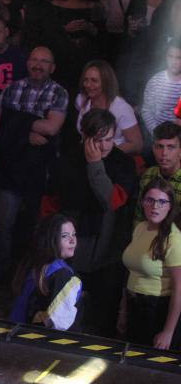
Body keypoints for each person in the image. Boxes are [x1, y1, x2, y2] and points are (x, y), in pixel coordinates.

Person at [47, 108, 136, 337]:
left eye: (109, 139)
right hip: (73, 247)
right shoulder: (68, 159)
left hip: (108, 250)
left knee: (104, 309)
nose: (105, 146)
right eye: (98, 140)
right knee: (68, 306)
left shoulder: (123, 163)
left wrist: (95, 165)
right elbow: (52, 201)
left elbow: (112, 201)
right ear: (85, 136)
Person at [0, 47, 68, 278]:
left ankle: (35, 276)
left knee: (38, 226)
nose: (38, 64)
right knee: (2, 224)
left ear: (52, 67)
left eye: (44, 61)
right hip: (10, 167)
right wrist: (27, 132)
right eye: (34, 59)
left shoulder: (59, 93)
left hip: (40, 170)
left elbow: (52, 128)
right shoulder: (12, 88)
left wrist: (14, 123)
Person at [120, 178, 181, 350]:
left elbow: (179, 290)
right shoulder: (140, 227)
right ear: (142, 202)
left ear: (170, 206)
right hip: (134, 306)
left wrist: (168, 332)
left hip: (156, 311)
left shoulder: (173, 239)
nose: (155, 207)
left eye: (162, 202)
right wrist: (123, 311)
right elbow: (131, 273)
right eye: (150, 200)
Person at [10, 214, 82, 331]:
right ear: (51, 239)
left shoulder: (35, 263)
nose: (72, 240)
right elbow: (58, 323)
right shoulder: (63, 275)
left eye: (74, 234)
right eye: (65, 236)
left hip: (16, 330)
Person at [75, 60, 142, 155]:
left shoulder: (122, 108)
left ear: (106, 83)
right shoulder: (81, 100)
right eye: (86, 80)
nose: (88, 85)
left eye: (94, 80)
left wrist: (107, 153)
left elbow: (137, 145)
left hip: (112, 160)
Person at [134, 122, 181, 225]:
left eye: (171, 147)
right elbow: (139, 215)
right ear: (153, 148)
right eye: (159, 146)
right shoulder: (149, 174)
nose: (164, 153)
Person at [141, 39, 181, 137]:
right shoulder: (156, 80)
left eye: (178, 58)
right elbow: (146, 110)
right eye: (170, 56)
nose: (173, 61)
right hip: (158, 136)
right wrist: (156, 132)